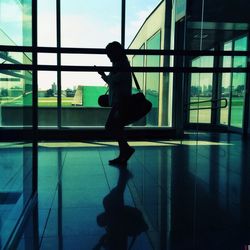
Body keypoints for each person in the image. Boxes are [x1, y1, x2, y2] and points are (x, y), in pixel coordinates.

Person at [97, 41, 135, 166]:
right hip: (119, 102)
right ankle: (124, 153)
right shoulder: (120, 64)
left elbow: (114, 81)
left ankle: (126, 150)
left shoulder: (121, 65)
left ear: (115, 53)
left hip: (121, 102)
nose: (109, 58)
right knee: (116, 127)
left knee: (111, 127)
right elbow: (113, 81)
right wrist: (103, 74)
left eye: (109, 54)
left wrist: (105, 74)